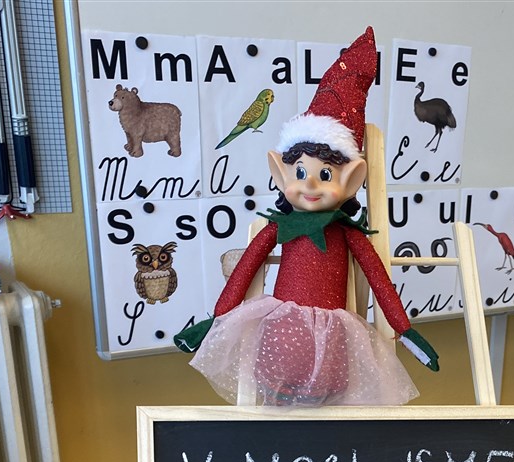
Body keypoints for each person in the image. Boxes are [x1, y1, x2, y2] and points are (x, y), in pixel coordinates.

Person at [184, 27, 438, 406]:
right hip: (279, 339)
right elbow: (244, 272)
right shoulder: (278, 227)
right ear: (281, 172)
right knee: (279, 411)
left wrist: (405, 330)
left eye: (326, 174)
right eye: (300, 172)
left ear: (352, 179)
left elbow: (379, 281)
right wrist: (215, 320)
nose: (311, 185)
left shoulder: (348, 233)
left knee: (329, 417)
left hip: (334, 342)